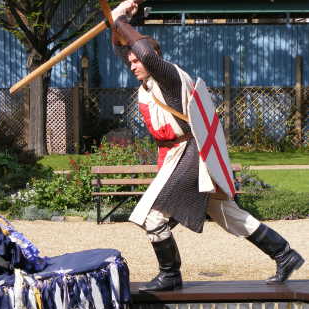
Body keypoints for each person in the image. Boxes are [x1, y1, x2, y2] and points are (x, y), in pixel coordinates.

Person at [110, 0, 305, 292]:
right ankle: (284, 254)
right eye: (131, 62)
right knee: (228, 215)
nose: (132, 65)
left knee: (151, 217)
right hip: (180, 154)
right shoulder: (151, 84)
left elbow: (144, 53)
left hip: (190, 153)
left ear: (153, 57)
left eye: (136, 60)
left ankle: (170, 274)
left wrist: (120, 18)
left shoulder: (170, 77)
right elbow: (126, 49)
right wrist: (114, 26)